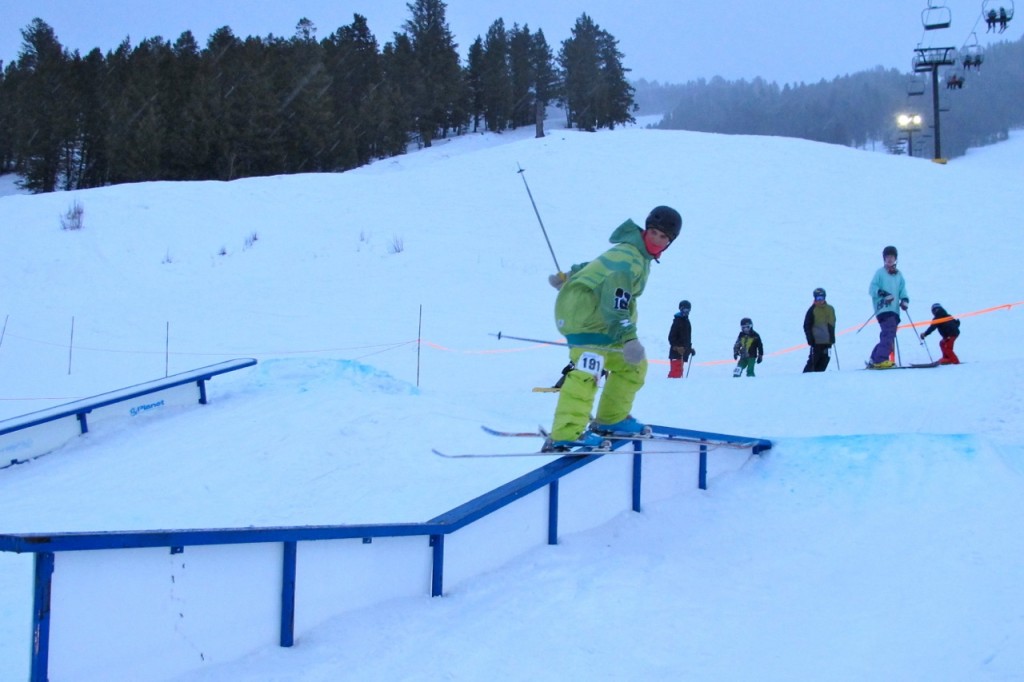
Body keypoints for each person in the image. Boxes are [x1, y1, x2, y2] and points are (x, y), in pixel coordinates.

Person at [543, 205, 682, 452]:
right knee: (589, 368)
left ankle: (611, 419)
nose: (658, 241)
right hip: (587, 317)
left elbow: (595, 265)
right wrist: (629, 339)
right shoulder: (629, 260)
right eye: (654, 233)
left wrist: (568, 275)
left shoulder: (635, 254)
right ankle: (566, 432)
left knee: (633, 366)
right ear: (646, 230)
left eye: (664, 238)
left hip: (596, 318)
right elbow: (615, 304)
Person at [867, 245, 909, 369]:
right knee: (889, 334)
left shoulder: (898, 275)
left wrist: (905, 300)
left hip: (894, 310)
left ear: (895, 259)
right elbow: (872, 288)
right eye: (887, 257)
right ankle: (880, 359)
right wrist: (882, 293)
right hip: (883, 309)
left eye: (892, 257)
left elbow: (902, 290)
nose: (890, 259)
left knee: (887, 334)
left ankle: (874, 359)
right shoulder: (880, 273)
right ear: (884, 259)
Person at [802, 287, 836, 373]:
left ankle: (819, 379)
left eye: (822, 298)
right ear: (815, 298)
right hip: (816, 342)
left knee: (825, 361)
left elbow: (832, 324)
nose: (820, 300)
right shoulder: (812, 310)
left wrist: (832, 337)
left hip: (827, 342)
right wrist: (810, 339)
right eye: (818, 298)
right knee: (813, 362)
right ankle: (805, 378)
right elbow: (807, 326)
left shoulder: (830, 309)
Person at [667, 300, 695, 378]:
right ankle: (669, 386)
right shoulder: (677, 321)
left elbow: (685, 339)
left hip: (682, 353)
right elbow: (671, 337)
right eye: (685, 310)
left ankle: (674, 388)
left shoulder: (686, 321)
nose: (687, 312)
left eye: (689, 310)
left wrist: (689, 349)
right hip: (676, 353)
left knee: (679, 372)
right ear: (681, 309)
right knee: (675, 373)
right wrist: (677, 348)